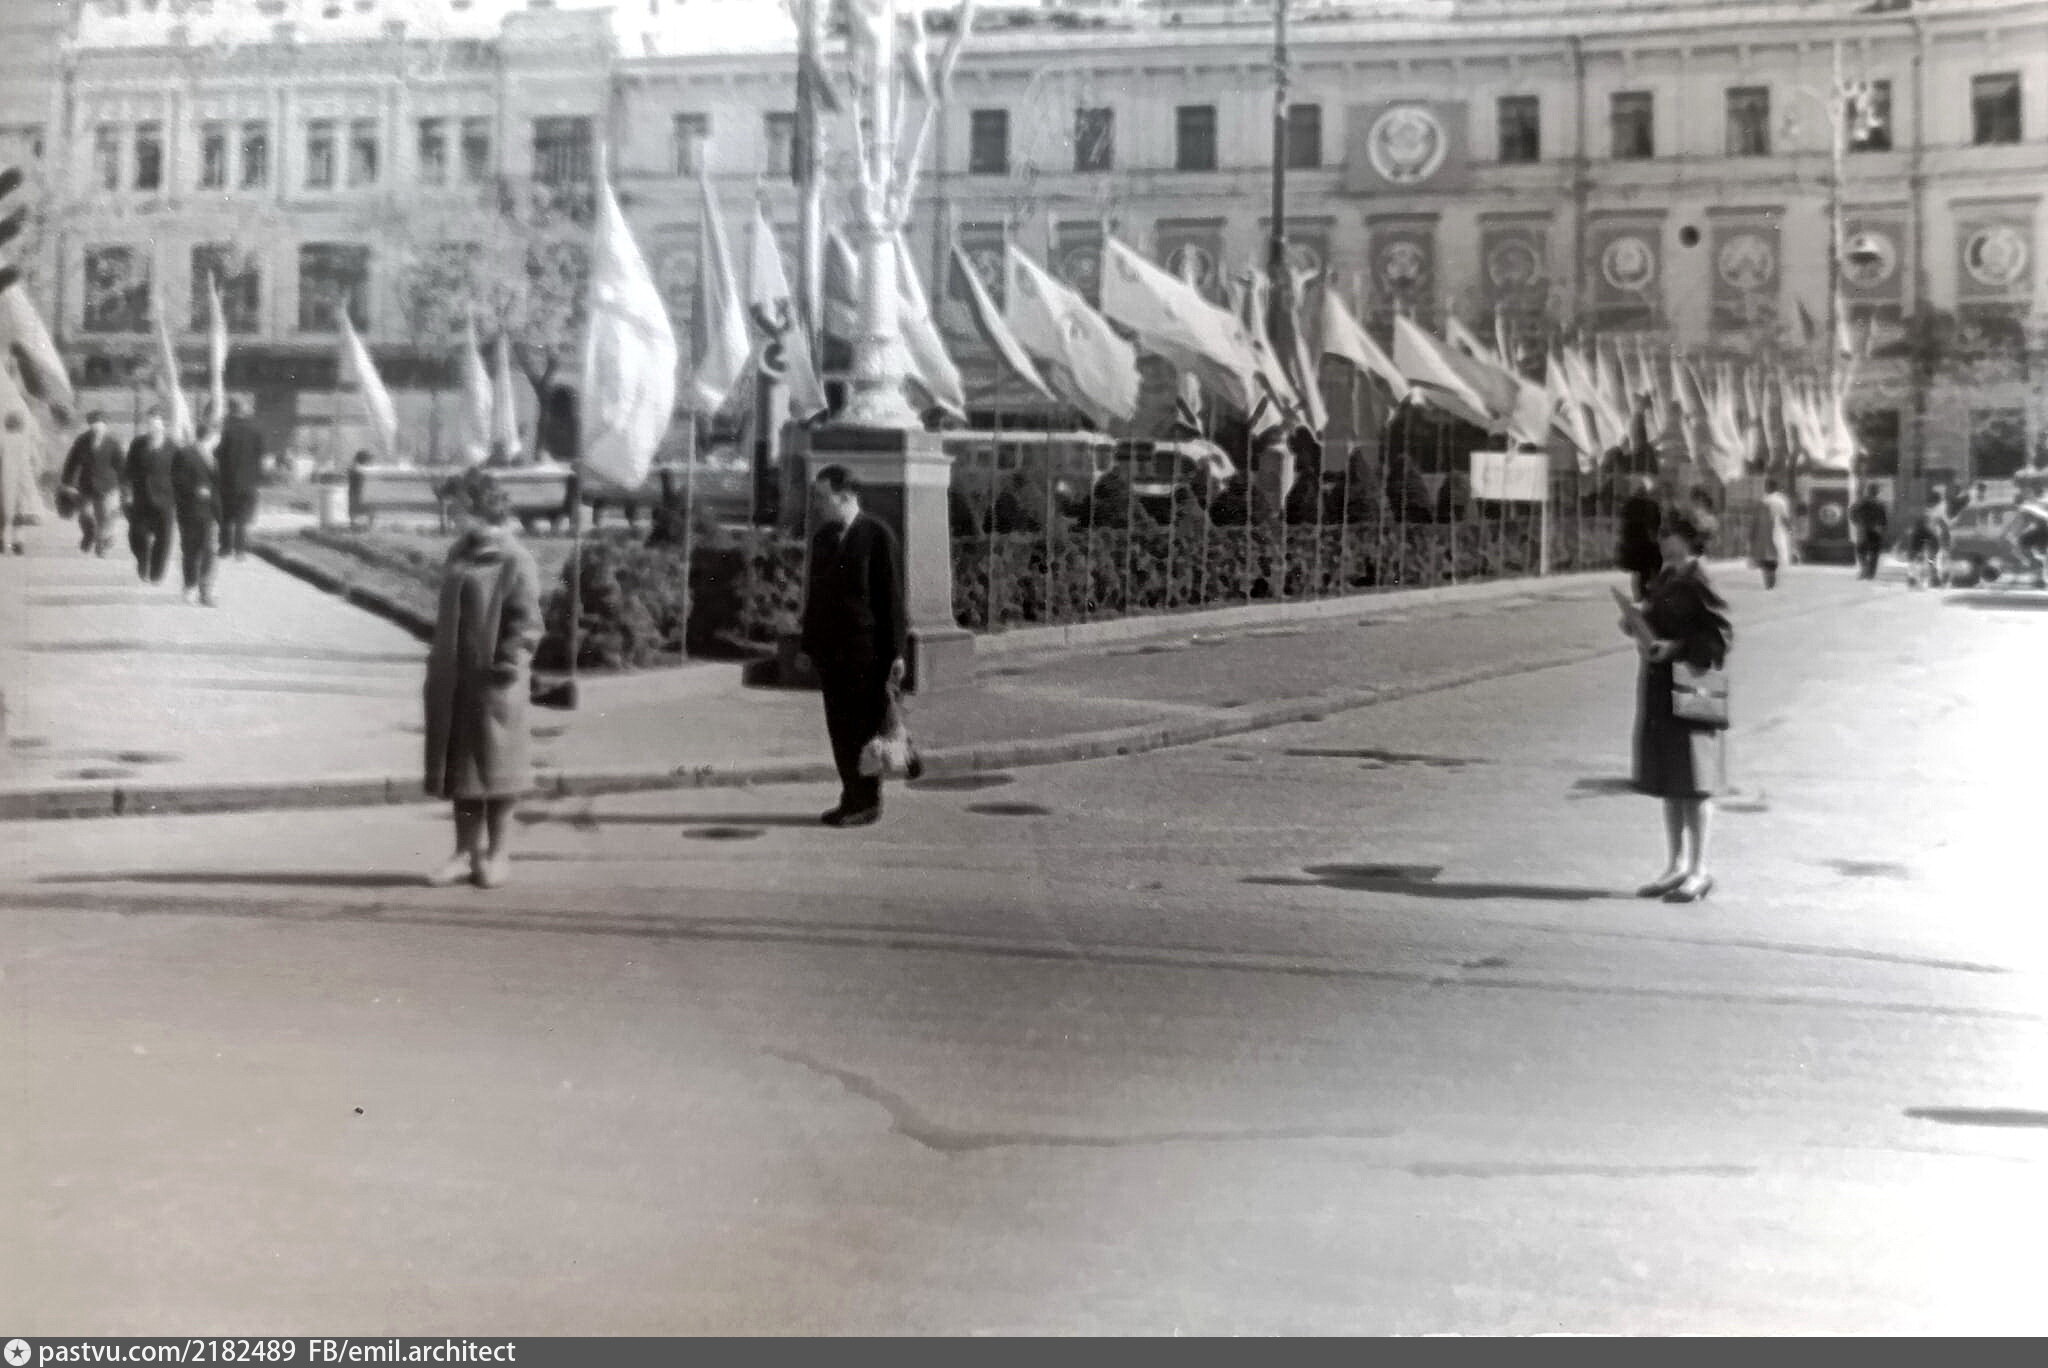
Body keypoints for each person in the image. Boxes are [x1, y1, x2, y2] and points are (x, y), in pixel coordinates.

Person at [422, 468, 542, 890]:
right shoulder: (461, 552)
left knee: (498, 770)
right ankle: (464, 854)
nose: (450, 515)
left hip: (494, 682)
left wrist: (508, 663)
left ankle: (498, 854)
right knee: (462, 772)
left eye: (455, 507)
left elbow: (528, 623)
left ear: (477, 507)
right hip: (456, 679)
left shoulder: (514, 558)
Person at [1622, 509, 1733, 904]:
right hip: (1661, 688)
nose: (1663, 540)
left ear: (1690, 537)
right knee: (1671, 781)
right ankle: (1676, 864)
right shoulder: (1666, 576)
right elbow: (1657, 621)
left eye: (1670, 533)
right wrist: (1637, 624)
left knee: (1695, 783)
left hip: (1692, 688)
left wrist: (1676, 648)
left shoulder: (1700, 578)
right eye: (1662, 533)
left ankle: (1699, 870)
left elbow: (1720, 639)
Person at [799, 464, 906, 828]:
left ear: (845, 496)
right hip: (831, 654)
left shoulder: (877, 535)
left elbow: (891, 599)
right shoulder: (823, 538)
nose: (816, 504)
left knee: (864, 730)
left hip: (866, 654)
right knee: (840, 730)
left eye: (821, 496)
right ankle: (850, 795)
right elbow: (815, 596)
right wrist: (808, 646)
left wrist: (896, 653)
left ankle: (868, 801)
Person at [121, 407, 177, 584]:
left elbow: (180, 474)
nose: (153, 429)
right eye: (150, 424)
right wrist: (126, 493)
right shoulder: (137, 444)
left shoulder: (173, 447)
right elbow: (128, 470)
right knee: (136, 535)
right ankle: (142, 561)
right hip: (141, 499)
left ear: (163, 426)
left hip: (166, 500)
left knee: (164, 539)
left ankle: (157, 573)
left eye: (156, 425)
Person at [170, 422, 223, 606]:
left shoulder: (214, 457)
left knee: (210, 550)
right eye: (217, 436)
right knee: (190, 550)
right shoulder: (185, 454)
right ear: (210, 436)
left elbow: (217, 486)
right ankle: (190, 586)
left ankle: (205, 591)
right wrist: (195, 490)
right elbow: (176, 481)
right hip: (190, 511)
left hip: (209, 512)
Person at [59, 411, 125, 557]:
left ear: (105, 426)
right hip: (86, 485)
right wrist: (67, 483)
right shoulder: (82, 441)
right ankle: (89, 534)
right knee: (84, 514)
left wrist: (124, 487)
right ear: (90, 426)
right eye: (94, 425)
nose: (97, 428)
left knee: (104, 517)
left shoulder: (113, 443)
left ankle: (101, 545)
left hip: (107, 486)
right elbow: (71, 463)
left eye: (100, 424)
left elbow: (121, 466)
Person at [214, 396, 266, 560]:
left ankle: (225, 548)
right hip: (249, 482)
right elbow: (260, 455)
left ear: (231, 411)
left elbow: (219, 453)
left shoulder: (228, 430)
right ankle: (240, 550)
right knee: (242, 516)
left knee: (226, 515)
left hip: (228, 480)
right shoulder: (256, 430)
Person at [1616, 475, 1664, 600]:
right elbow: (1656, 523)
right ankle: (1646, 593)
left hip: (1635, 543)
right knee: (1648, 570)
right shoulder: (1651, 505)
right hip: (1646, 542)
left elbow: (1624, 524)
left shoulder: (1629, 504)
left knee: (1639, 571)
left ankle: (1641, 594)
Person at [1749, 477, 1794, 589]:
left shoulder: (1762, 500)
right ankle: (1771, 578)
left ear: (1768, 487)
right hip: (1776, 531)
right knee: (1774, 555)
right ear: (1776, 488)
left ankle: (1768, 579)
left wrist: (1752, 534)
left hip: (1762, 532)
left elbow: (1755, 520)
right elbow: (1785, 518)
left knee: (1765, 556)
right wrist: (1789, 530)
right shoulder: (1781, 500)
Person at [0, 408, 34, 555]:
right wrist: (29, 487)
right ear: (21, 424)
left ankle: (2, 540)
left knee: (2, 512)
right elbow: (26, 465)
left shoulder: (1, 439)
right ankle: (18, 541)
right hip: (19, 480)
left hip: (3, 480)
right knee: (19, 512)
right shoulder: (23, 441)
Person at [1904, 490, 1950, 590]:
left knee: (1916, 558)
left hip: (1918, 534)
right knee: (1932, 557)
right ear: (1937, 502)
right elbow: (1942, 525)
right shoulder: (1937, 511)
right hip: (1928, 534)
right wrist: (1945, 537)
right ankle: (1932, 578)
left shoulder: (1921, 510)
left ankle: (1913, 578)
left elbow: (1912, 524)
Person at [1849, 484, 1890, 581]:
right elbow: (1884, 519)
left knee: (1861, 551)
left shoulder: (1859, 502)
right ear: (1876, 492)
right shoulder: (1879, 504)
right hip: (1875, 530)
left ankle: (1864, 570)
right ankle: (1870, 573)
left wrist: (1858, 523)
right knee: (1874, 552)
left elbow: (1852, 513)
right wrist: (1882, 529)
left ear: (1867, 491)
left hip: (1863, 530)